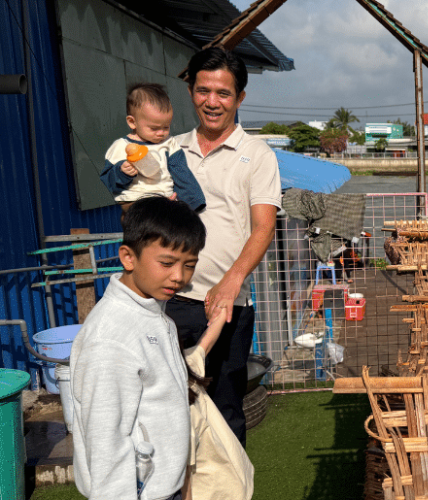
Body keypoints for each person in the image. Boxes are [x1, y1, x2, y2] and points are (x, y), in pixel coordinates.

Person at [165, 47, 281, 446]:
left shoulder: (257, 155)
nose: (211, 102)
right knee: (168, 410)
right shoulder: (169, 151)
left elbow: (264, 227)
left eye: (223, 93)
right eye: (203, 90)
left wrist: (233, 281)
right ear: (191, 91)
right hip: (170, 299)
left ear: (240, 98)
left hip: (229, 305)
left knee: (226, 410)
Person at [71, 196, 206, 500]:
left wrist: (180, 479)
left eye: (190, 265)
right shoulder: (111, 337)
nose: (179, 276)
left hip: (164, 485)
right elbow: (105, 438)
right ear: (128, 257)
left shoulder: (155, 313)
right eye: (167, 263)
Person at [183, 300, 254, 500]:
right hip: (236, 483)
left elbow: (184, 476)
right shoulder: (186, 366)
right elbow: (206, 343)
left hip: (213, 492)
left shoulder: (175, 394)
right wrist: (222, 309)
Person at [100, 83, 206, 213]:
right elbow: (108, 180)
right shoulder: (121, 146)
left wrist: (192, 203)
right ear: (132, 122)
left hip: (165, 202)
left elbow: (182, 173)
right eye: (154, 128)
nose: (161, 133)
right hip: (135, 205)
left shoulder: (169, 144)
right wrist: (122, 172)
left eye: (166, 127)